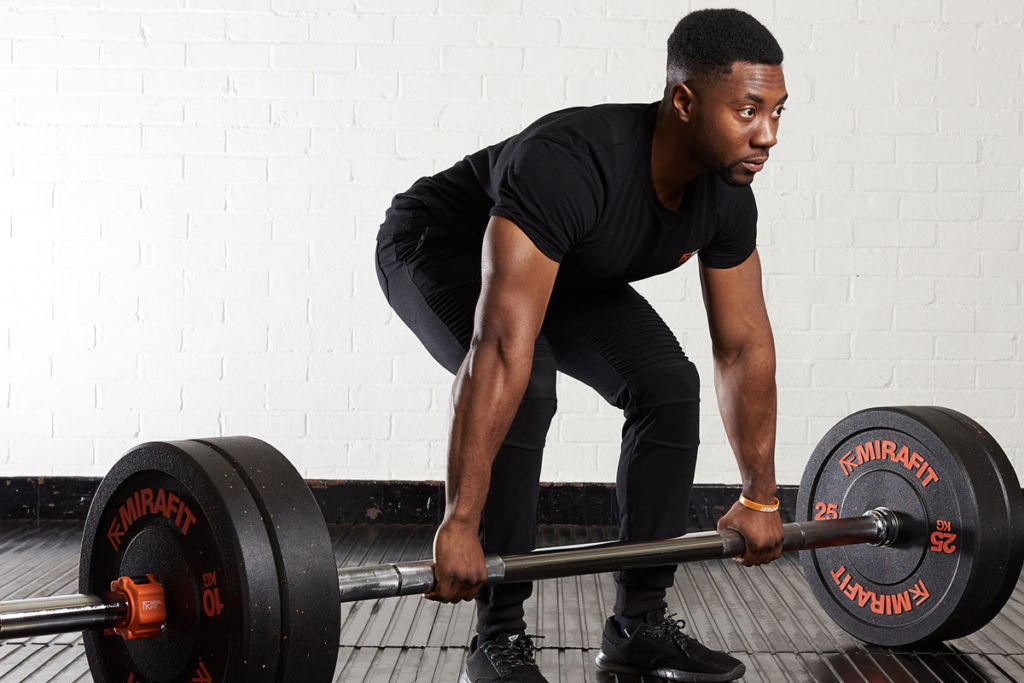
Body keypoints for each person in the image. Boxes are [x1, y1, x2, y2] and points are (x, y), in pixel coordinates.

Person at [375, 8, 788, 682]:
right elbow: (501, 351)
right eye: (748, 110)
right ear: (685, 101)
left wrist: (762, 495)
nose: (767, 134)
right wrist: (459, 522)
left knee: (668, 386)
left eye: (776, 112)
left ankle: (639, 626)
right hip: (441, 249)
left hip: (567, 267)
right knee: (530, 376)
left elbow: (742, 347)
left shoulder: (727, 196)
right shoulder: (570, 163)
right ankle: (497, 635)